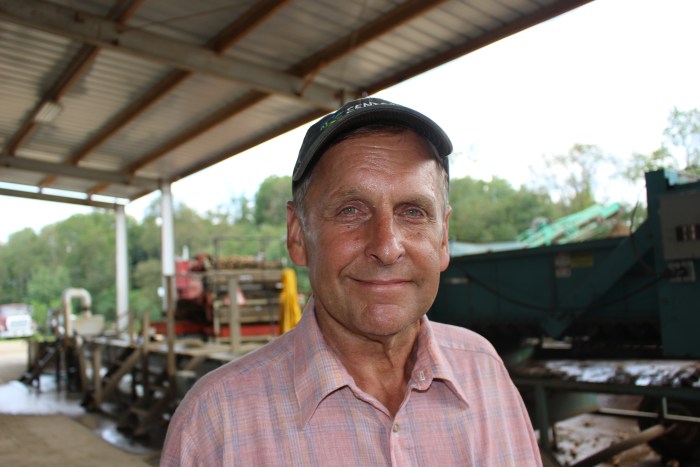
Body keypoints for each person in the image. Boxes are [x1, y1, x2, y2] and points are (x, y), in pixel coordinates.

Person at [160, 97, 542, 466]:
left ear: (442, 239)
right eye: (350, 210)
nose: (387, 247)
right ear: (297, 235)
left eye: (413, 211)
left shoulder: (485, 372)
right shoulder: (215, 424)